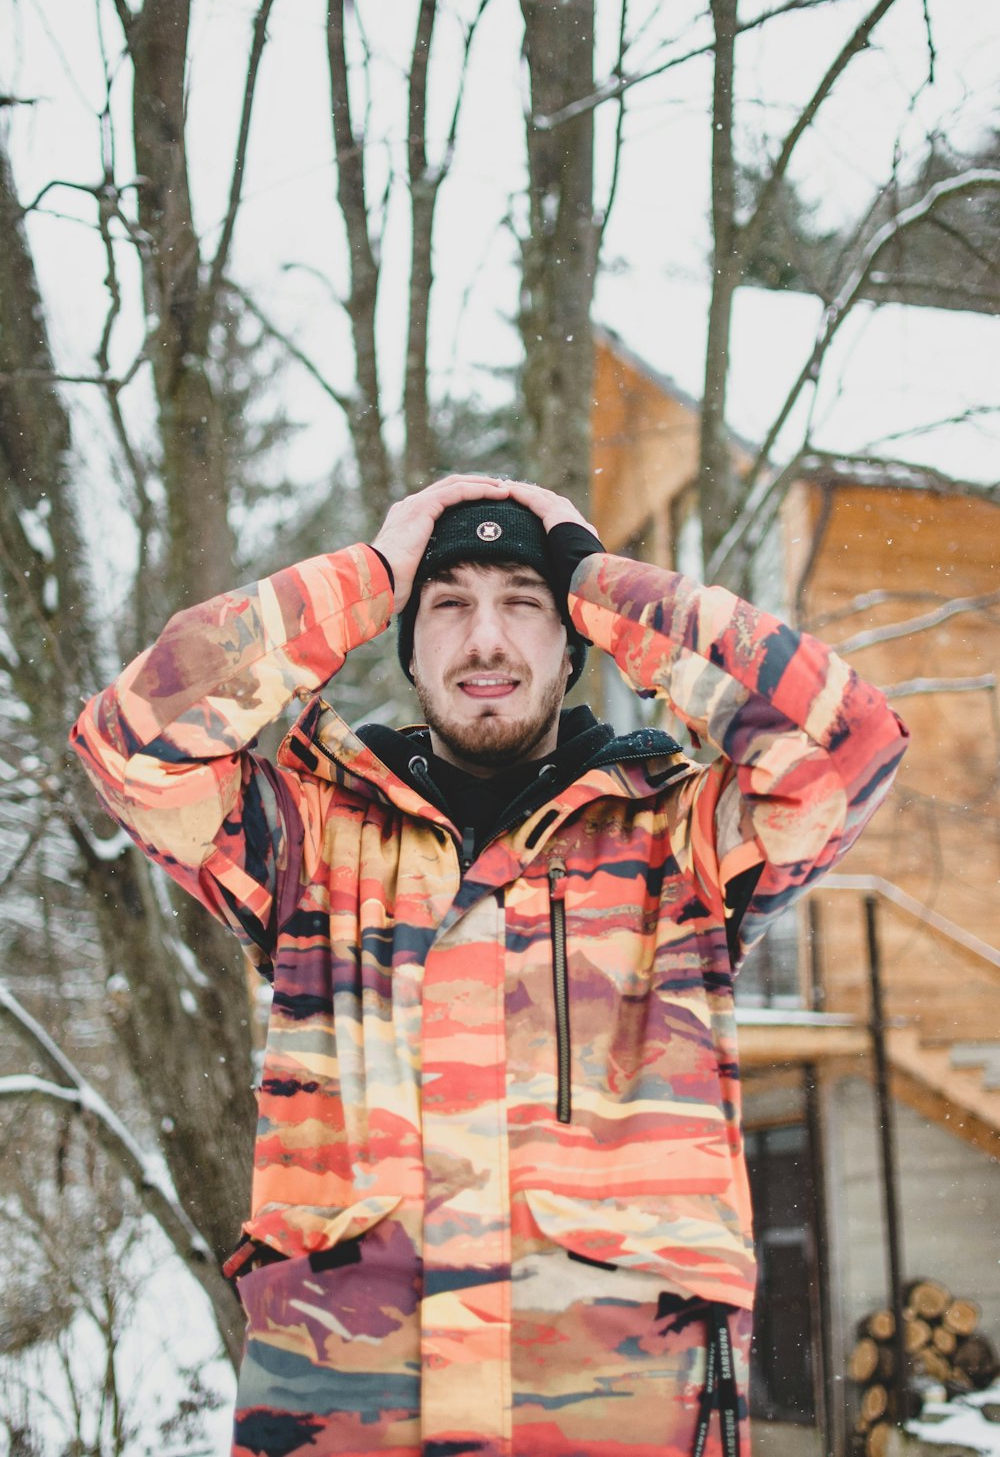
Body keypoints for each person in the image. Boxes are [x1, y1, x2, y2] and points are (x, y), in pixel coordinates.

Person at [71, 473, 908, 1457]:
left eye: (524, 604)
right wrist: (367, 575)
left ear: (572, 639)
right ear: (407, 637)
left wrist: (599, 580)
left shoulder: (682, 843)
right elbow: (132, 744)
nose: (486, 640)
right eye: (448, 604)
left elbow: (845, 743)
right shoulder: (305, 842)